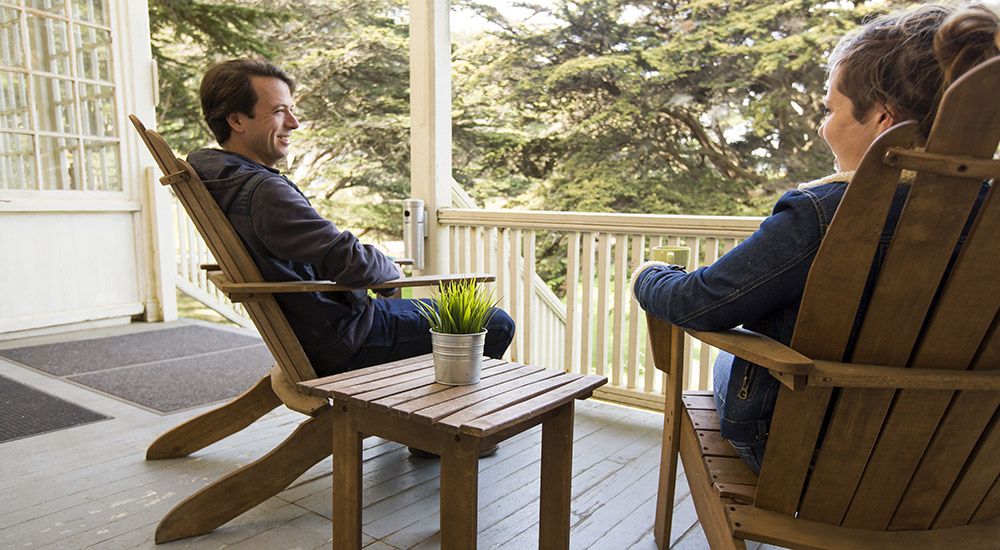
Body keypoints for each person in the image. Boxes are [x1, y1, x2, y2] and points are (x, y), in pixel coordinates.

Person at [632, 3, 999, 473]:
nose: (824, 127)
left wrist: (649, 275)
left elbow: (699, 304)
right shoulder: (990, 213)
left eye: (830, 109)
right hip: (953, 461)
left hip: (810, 454)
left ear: (884, 121)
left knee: (742, 342)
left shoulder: (823, 214)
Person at [188, 59, 515, 379]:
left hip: (329, 324)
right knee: (496, 323)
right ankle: (444, 425)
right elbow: (345, 257)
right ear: (236, 120)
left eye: (290, 109)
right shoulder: (263, 193)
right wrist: (389, 270)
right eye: (278, 111)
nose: (294, 122)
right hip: (346, 338)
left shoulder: (225, 178)